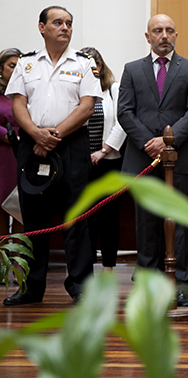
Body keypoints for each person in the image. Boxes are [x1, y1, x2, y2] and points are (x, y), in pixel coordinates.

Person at [3, 6, 102, 305]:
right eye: (58, 22)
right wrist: (35, 133)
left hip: (71, 145)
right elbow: (18, 103)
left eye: (69, 23)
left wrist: (53, 135)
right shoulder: (27, 64)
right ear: (41, 27)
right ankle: (31, 289)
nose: (65, 28)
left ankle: (82, 288)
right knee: (34, 220)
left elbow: (86, 107)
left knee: (77, 219)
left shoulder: (83, 64)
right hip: (31, 146)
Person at [117, 14, 188, 307]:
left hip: (181, 159)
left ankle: (181, 285)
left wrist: (167, 141)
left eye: (169, 30)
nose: (164, 35)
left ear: (176, 35)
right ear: (148, 36)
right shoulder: (132, 70)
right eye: (158, 30)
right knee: (146, 223)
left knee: (181, 224)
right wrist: (149, 143)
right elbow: (125, 112)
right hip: (141, 158)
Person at [79, 47, 127, 272]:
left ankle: (108, 267)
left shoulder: (113, 89)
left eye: (95, 65)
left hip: (110, 162)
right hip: (81, 162)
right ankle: (84, 267)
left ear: (101, 66)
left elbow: (122, 121)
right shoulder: (75, 89)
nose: (92, 70)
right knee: (84, 217)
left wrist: (104, 150)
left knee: (108, 218)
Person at [1, 48, 21, 236]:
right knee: (2, 203)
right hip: (3, 154)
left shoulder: (26, 92)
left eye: (18, 66)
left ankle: (19, 259)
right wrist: (5, 135)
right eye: (11, 66)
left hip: (23, 153)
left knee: (20, 206)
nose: (15, 70)